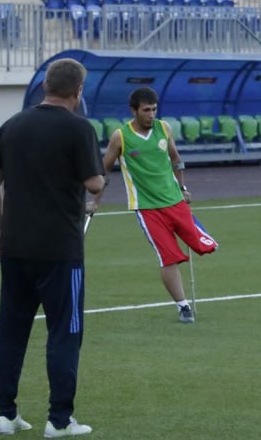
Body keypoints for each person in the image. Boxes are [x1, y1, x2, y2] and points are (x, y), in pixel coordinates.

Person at [0, 57, 105, 438]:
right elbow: (95, 184)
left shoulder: (12, 125)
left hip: (16, 246)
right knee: (64, 333)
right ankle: (60, 418)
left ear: (46, 86)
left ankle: (6, 413)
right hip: (60, 251)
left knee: (12, 331)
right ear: (78, 91)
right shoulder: (78, 128)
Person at [93, 87, 217, 322]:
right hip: (147, 208)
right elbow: (103, 172)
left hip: (175, 201)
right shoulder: (121, 136)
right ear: (134, 111)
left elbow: (176, 159)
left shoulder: (164, 128)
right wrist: (95, 201)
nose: (151, 114)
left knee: (204, 246)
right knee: (168, 256)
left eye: (154, 109)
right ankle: (183, 306)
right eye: (146, 110)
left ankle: (200, 236)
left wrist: (183, 188)